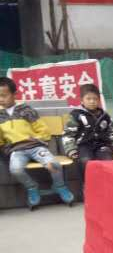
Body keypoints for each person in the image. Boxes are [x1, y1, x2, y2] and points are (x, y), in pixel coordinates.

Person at [0, 75, 75, 209]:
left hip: (35, 147)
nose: (1, 99)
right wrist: (7, 149)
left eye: (4, 96)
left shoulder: (26, 110)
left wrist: (36, 138)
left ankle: (59, 186)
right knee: (15, 170)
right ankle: (32, 187)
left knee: (54, 164)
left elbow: (43, 130)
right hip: (17, 151)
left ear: (15, 94)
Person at [63, 83, 113, 175]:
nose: (92, 101)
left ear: (99, 100)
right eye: (88, 99)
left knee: (108, 161)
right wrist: (71, 149)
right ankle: (87, 183)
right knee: (85, 161)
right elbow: (68, 135)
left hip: (102, 145)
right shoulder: (76, 115)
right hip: (83, 145)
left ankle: (106, 182)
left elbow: (112, 133)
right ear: (82, 100)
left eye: (95, 99)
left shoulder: (105, 116)